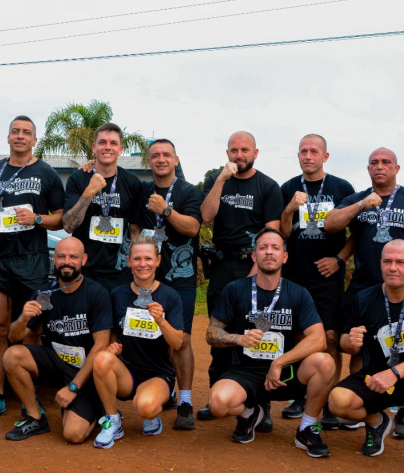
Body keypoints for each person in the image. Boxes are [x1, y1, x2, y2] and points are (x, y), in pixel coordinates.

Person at [324, 146, 404, 436]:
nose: (380, 166)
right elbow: (331, 223)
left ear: (397, 169)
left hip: (403, 289)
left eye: (386, 162)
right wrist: (361, 205)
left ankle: (403, 411)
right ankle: (367, 407)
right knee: (359, 344)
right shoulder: (357, 199)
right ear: (368, 169)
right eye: (374, 162)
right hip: (364, 287)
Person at [0, 115, 65, 423]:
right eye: (15, 132)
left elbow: (61, 218)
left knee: (31, 331)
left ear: (35, 140)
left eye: (27, 133)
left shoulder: (46, 173)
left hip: (31, 260)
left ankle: (27, 399)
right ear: (8, 137)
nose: (20, 136)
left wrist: (35, 219)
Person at [206, 228, 335, 459]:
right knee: (217, 403)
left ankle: (307, 428)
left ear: (284, 257)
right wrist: (239, 339)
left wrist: (279, 362)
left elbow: (319, 338)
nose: (269, 252)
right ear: (254, 256)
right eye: (263, 247)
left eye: (275, 248)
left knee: (324, 362)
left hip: (285, 372)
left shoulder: (298, 293)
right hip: (245, 370)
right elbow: (211, 333)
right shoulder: (235, 290)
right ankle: (249, 413)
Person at [328, 240, 404, 473]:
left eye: (400, 262)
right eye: (387, 261)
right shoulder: (364, 298)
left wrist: (395, 372)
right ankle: (379, 422)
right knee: (337, 401)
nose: (393, 267)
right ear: (380, 264)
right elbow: (347, 342)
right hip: (375, 377)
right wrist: (351, 340)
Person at [199, 131, 284, 427]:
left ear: (256, 153)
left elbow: (272, 233)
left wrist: (256, 273)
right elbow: (207, 216)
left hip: (253, 266)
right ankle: (216, 394)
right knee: (219, 333)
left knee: (256, 333)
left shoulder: (268, 186)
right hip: (222, 266)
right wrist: (221, 180)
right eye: (233, 150)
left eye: (244, 150)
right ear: (227, 153)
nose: (239, 155)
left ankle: (262, 403)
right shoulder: (216, 180)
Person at [1, 236, 112, 443]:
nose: (67, 261)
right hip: (57, 363)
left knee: (73, 434)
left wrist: (74, 388)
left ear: (84, 260)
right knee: (12, 356)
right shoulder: (44, 294)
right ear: (54, 259)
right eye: (61, 256)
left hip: (87, 373)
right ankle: (35, 417)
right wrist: (24, 318)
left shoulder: (97, 293)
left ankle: (99, 408)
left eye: (73, 257)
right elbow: (13, 338)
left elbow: (101, 346)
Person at [278, 134, 355, 427]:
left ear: (325, 156)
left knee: (332, 338)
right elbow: (283, 233)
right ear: (298, 156)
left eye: (314, 151)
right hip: (296, 276)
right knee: (300, 338)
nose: (308, 156)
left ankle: (330, 401)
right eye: (303, 151)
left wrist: (339, 260)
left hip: (327, 278)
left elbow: (356, 233)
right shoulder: (288, 188)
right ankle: (302, 393)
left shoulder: (341, 188)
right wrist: (288, 208)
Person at [91, 237, 185, 448]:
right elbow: (114, 331)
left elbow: (178, 343)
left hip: (158, 373)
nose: (143, 264)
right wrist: (113, 346)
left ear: (159, 260)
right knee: (102, 359)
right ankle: (112, 420)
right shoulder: (117, 294)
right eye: (137, 258)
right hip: (127, 372)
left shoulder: (170, 296)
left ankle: (152, 412)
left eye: (148, 258)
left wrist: (161, 321)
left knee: (144, 407)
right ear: (128, 261)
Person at [137, 139, 203, 430]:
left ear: (176, 159)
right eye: (155, 156)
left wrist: (165, 210)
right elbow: (136, 228)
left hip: (182, 278)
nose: (161, 159)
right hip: (150, 277)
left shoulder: (189, 191)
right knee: (156, 333)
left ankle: (186, 400)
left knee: (181, 339)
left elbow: (192, 227)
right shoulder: (142, 191)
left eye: (166, 155)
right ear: (149, 162)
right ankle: (167, 390)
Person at [63, 122, 143, 290]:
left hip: (120, 272)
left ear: (120, 149)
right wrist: (89, 192)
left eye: (113, 143)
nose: (108, 147)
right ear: (94, 147)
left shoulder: (132, 183)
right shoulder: (78, 179)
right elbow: (69, 226)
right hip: (84, 269)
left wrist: (135, 265)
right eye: (102, 142)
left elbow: (135, 230)